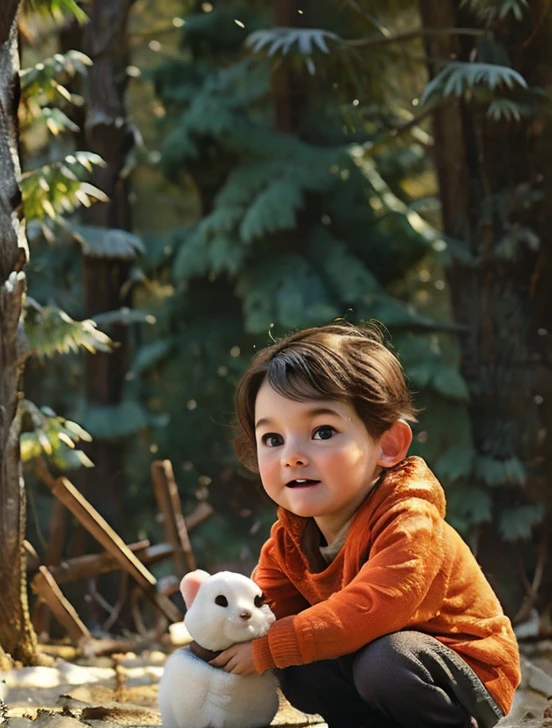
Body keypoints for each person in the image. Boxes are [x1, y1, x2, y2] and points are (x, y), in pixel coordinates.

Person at [210, 322, 521, 728]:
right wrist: (213, 649)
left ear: (387, 445)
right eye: (272, 439)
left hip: (464, 668)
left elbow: (373, 608)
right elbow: (264, 611)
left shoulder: (410, 520)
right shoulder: (289, 539)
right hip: (371, 661)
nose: (292, 456)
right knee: (300, 666)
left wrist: (272, 646)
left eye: (322, 432)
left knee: (382, 662)